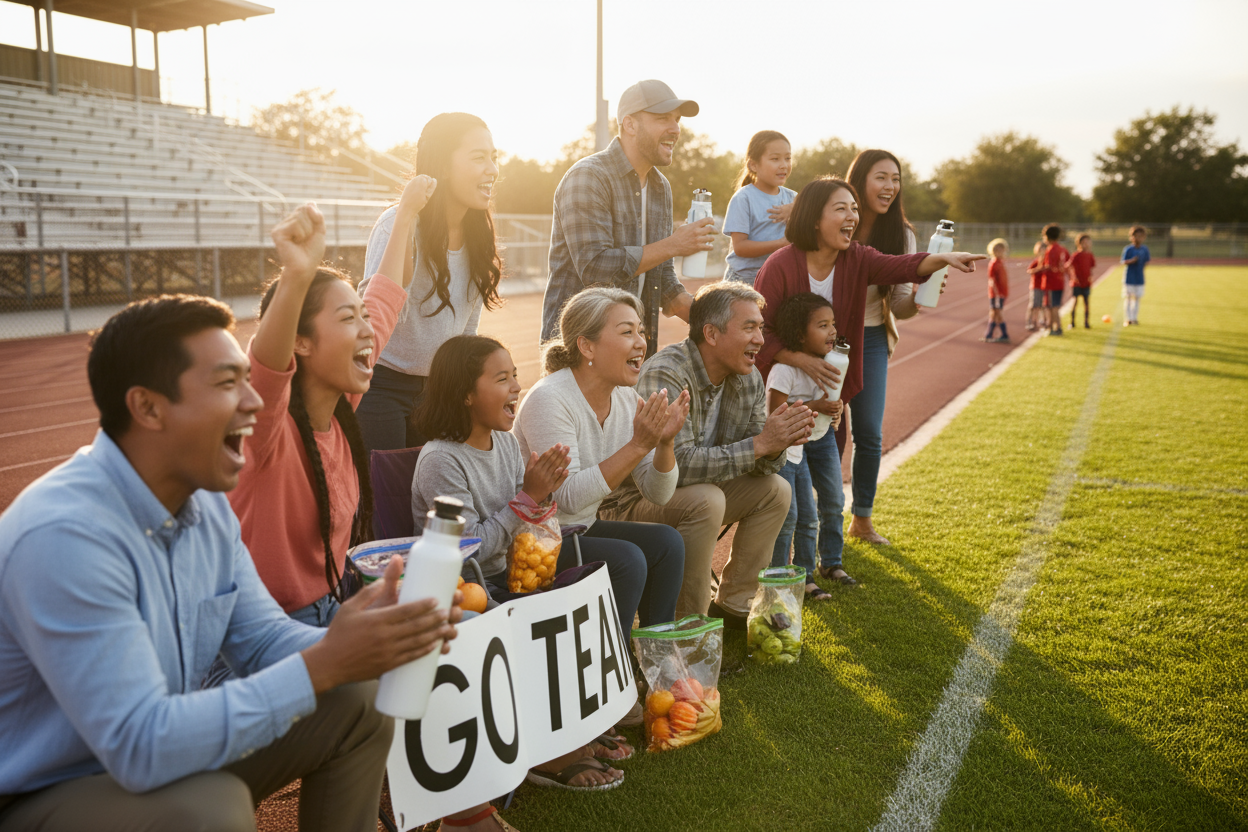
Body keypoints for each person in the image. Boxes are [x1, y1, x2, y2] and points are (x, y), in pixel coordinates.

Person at [0, 294, 462, 832]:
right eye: (227, 383)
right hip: (46, 792)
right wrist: (324, 662)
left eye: (247, 380)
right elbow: (138, 744)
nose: (253, 402)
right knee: (209, 806)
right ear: (147, 407)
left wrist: (372, 640)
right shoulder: (65, 534)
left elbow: (263, 640)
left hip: (152, 757)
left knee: (357, 698)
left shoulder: (205, 506)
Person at [221, 192, 514, 830]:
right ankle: (449, 808)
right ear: (301, 343)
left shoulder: (340, 414)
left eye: (363, 322)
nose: (367, 332)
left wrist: (408, 212)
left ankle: (448, 802)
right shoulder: (264, 429)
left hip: (331, 608)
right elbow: (265, 371)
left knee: (440, 627)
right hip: (256, 637)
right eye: (346, 321)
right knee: (397, 666)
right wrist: (299, 275)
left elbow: (386, 291)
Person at [411, 334, 633, 792]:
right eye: (502, 378)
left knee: (592, 586)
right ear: (466, 394)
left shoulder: (508, 446)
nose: (517, 387)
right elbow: (467, 551)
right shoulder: (441, 460)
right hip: (468, 591)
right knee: (538, 616)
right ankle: (545, 753)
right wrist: (528, 497)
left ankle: (579, 719)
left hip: (510, 576)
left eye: (515, 375)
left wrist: (542, 502)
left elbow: (524, 527)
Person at [754, 177, 985, 584]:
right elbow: (760, 331)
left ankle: (826, 561)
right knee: (783, 490)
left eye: (854, 208)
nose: (852, 216)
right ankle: (781, 568)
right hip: (786, 394)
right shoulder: (780, 265)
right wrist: (801, 361)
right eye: (841, 208)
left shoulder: (857, 259)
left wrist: (944, 258)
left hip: (831, 396)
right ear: (813, 219)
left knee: (827, 483)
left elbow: (902, 265)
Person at [601, 282, 815, 627]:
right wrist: (760, 444)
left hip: (695, 495)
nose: (760, 339)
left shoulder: (748, 378)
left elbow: (761, 464)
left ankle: (734, 606)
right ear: (711, 334)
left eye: (760, 328)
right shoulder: (666, 372)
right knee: (708, 499)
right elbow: (676, 467)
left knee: (777, 490)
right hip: (631, 502)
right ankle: (687, 623)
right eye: (749, 327)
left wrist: (777, 443)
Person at [355, 112, 503, 451]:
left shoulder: (480, 238)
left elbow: (467, 334)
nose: (492, 169)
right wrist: (406, 218)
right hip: (381, 387)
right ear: (444, 165)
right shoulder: (398, 222)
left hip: (436, 390)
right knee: (385, 497)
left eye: (494, 158)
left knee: (426, 496)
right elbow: (378, 311)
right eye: (479, 157)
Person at [541, 79, 713, 358]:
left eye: (677, 120)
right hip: (580, 353)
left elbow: (663, 281)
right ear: (630, 124)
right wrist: (675, 244)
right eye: (662, 118)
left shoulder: (661, 187)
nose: (675, 129)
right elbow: (595, 269)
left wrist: (716, 321)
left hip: (631, 352)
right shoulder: (588, 176)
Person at [843, 149, 924, 544]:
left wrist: (922, 300)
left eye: (896, 179)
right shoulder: (839, 221)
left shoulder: (902, 234)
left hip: (872, 339)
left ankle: (861, 519)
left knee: (869, 433)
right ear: (859, 180)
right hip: (825, 340)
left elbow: (900, 305)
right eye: (881, 177)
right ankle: (816, 517)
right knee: (822, 434)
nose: (890, 186)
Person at [765, 292, 844, 602]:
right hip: (788, 451)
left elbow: (833, 399)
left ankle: (811, 572)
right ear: (800, 334)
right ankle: (779, 577)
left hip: (814, 441)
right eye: (823, 325)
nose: (833, 332)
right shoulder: (784, 370)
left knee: (820, 509)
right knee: (790, 517)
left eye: (833, 324)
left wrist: (834, 409)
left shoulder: (833, 361)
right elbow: (776, 413)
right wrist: (817, 405)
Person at [722, 130, 796, 286]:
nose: (784, 165)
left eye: (788, 158)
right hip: (743, 280)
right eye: (775, 159)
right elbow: (741, 247)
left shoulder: (793, 199)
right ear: (753, 165)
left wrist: (797, 207)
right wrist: (782, 244)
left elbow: (821, 210)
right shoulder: (743, 198)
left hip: (776, 276)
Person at [1040, 223, 1070, 335]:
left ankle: (1055, 328)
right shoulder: (1062, 249)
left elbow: (1049, 266)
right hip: (1060, 281)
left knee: (1053, 306)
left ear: (1047, 237)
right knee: (1055, 305)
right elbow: (1068, 263)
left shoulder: (1051, 250)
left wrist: (1038, 269)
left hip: (1051, 282)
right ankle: (1056, 327)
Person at [983, 238, 1011, 343]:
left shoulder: (1000, 262)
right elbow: (992, 281)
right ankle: (990, 334)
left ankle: (998, 334)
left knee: (996, 313)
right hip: (996, 294)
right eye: (998, 250)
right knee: (995, 313)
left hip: (1001, 293)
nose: (1001, 253)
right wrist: (997, 294)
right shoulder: (994, 263)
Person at [1121, 226, 1150, 326]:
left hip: (1139, 277)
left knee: (1137, 298)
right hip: (1129, 277)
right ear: (1132, 237)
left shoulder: (1145, 249)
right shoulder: (1128, 249)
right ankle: (1128, 318)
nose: (1138, 238)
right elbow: (1123, 261)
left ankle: (1134, 318)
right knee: (1128, 298)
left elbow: (1147, 261)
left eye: (1140, 236)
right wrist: (1132, 261)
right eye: (1136, 236)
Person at [1068, 234, 1096, 329]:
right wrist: (1073, 277)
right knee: (1075, 302)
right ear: (1079, 244)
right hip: (1077, 283)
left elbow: (1091, 267)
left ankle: (1086, 322)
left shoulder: (1090, 255)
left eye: (1088, 242)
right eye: (1084, 242)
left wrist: (1091, 277)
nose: (1086, 244)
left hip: (1086, 283)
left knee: (1086, 303)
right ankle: (1072, 322)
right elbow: (1069, 265)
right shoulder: (1076, 255)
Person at [1026, 241, 1046, 332]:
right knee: (1034, 305)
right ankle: (1030, 322)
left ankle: (1042, 321)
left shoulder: (1047, 261)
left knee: (1043, 305)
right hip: (1035, 286)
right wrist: (1038, 269)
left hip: (1044, 286)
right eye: (1041, 250)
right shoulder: (1036, 261)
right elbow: (1029, 270)